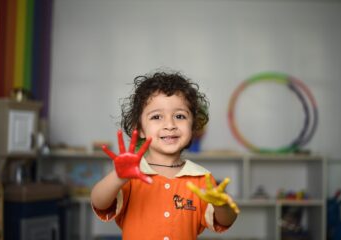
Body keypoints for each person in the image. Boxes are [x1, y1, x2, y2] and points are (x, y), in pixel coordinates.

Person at [91, 71, 239, 240]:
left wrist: (222, 205)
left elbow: (226, 221)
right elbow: (99, 202)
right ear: (138, 128)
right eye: (156, 117)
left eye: (179, 116)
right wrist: (118, 176)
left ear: (193, 126)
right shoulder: (131, 174)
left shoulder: (201, 177)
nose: (170, 124)